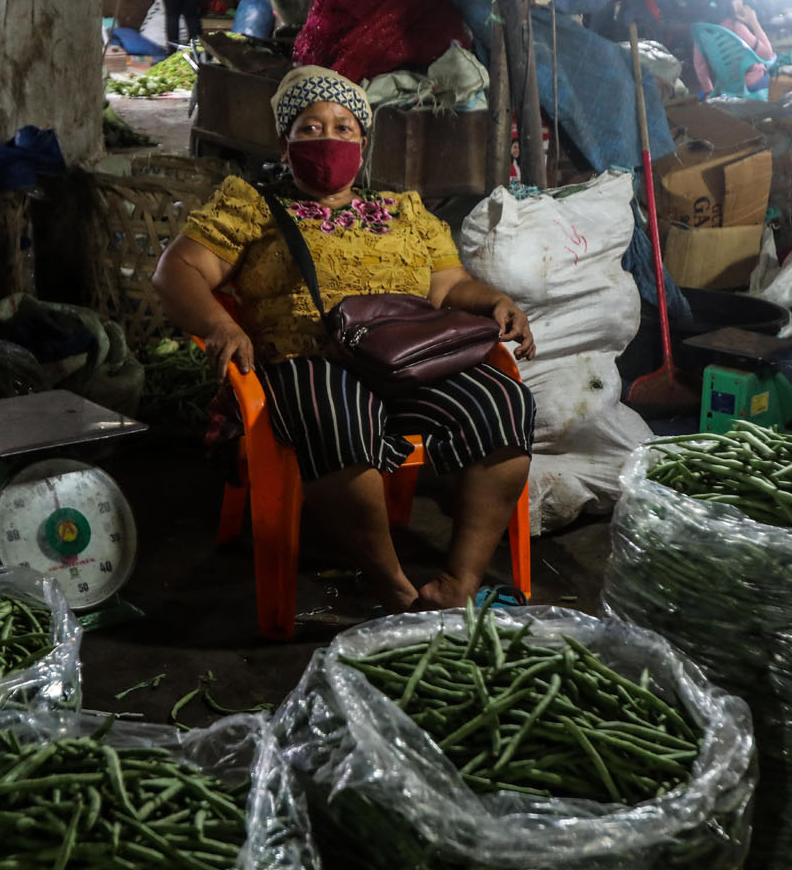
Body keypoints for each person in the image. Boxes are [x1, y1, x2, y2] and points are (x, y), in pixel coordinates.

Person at [152, 66, 537, 612]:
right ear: (285, 142)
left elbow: (449, 283)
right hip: (309, 361)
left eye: (342, 127)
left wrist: (493, 300)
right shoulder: (252, 205)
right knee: (337, 411)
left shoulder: (404, 210)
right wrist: (222, 325)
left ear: (362, 139)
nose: (327, 139)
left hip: (404, 360)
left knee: (503, 400)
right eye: (308, 128)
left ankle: (459, 582)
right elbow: (177, 271)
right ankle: (393, 586)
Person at [691, 0, 775, 95]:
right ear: (734, 2)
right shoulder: (737, 27)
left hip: (726, 87)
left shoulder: (702, 31)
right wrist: (754, 22)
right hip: (751, 86)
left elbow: (700, 67)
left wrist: (709, 91)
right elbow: (767, 55)